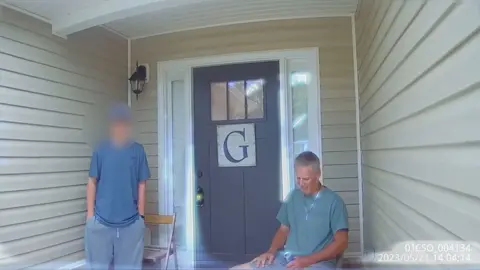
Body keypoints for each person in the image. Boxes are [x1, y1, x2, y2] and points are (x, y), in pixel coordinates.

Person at [232, 151, 349, 269]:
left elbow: (341, 242)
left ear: (318, 174)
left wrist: (307, 260)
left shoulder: (334, 202)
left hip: (318, 263)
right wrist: (271, 251)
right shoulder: (293, 196)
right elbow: (283, 230)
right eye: (298, 178)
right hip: (287, 259)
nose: (301, 184)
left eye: (306, 179)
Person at [84, 103, 150, 270]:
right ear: (111, 126)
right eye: (116, 123)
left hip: (131, 224)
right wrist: (91, 217)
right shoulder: (100, 150)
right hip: (101, 222)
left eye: (124, 123)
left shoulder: (138, 151)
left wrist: (140, 217)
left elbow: (142, 183)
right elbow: (92, 181)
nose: (120, 127)